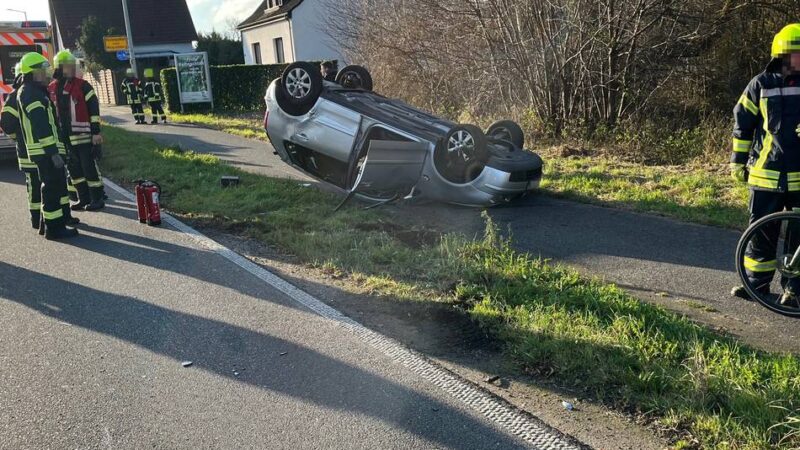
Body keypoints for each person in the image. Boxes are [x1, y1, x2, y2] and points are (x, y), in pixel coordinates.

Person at [731, 23, 800, 306]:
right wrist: (737, 161)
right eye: (797, 53)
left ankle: (794, 292)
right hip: (765, 175)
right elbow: (742, 125)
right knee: (760, 234)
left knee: (799, 239)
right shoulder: (760, 84)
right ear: (782, 54)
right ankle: (755, 285)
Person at [15, 52, 79, 239]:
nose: (45, 74)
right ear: (32, 73)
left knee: (53, 187)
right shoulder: (31, 93)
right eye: (41, 71)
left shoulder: (32, 91)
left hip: (45, 150)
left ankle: (47, 224)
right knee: (51, 188)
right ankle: (54, 229)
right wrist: (53, 152)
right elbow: (41, 126)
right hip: (45, 151)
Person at [49, 49, 105, 211]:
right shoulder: (52, 88)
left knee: (89, 168)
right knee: (74, 170)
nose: (72, 69)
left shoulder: (83, 85)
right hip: (64, 138)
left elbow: (94, 109)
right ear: (59, 67)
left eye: (73, 66)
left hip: (83, 137)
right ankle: (83, 198)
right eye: (68, 66)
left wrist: (96, 132)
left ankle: (97, 198)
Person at [1, 62, 42, 230]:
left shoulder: (35, 93)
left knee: (44, 184)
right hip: (27, 151)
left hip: (40, 150)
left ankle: (48, 217)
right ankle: (36, 218)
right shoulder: (15, 97)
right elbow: (6, 125)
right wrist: (18, 138)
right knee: (34, 184)